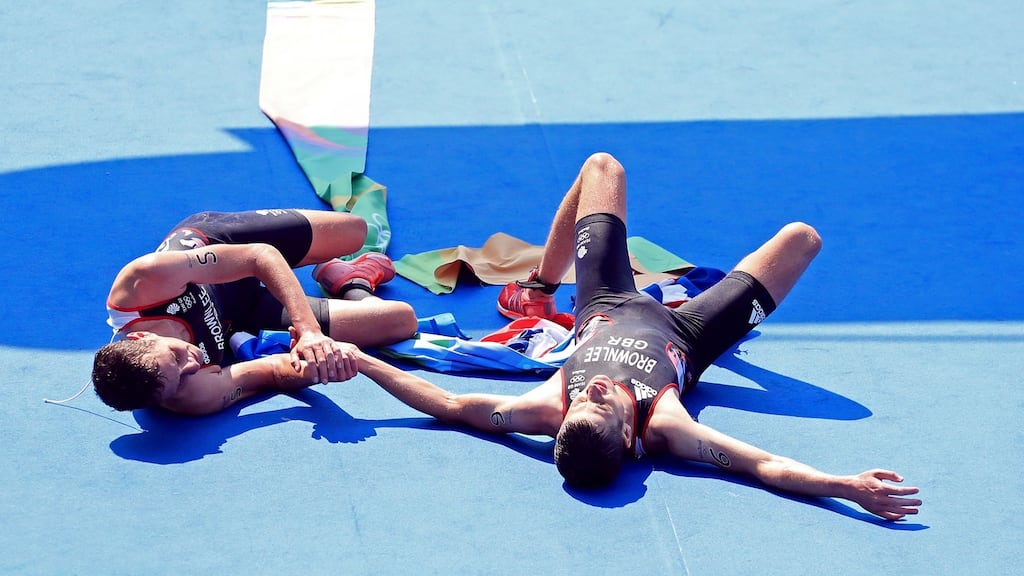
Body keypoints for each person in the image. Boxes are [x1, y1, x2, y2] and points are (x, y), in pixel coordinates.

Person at [354, 152, 922, 520]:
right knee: (803, 239)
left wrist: (358, 358)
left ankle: (540, 284)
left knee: (603, 168)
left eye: (584, 401)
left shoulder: (550, 410)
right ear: (630, 437)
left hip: (599, 301)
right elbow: (764, 466)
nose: (593, 389)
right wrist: (847, 487)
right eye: (603, 406)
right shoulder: (668, 428)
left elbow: (450, 404)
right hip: (693, 332)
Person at [92, 208, 417, 415]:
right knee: (399, 320)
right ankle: (349, 280)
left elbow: (259, 256)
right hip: (242, 313)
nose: (193, 363)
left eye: (177, 357)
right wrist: (322, 363)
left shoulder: (144, 281)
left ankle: (321, 263)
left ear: (141, 336)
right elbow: (274, 372)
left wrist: (310, 332)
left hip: (229, 248)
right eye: (182, 377)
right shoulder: (189, 394)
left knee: (355, 232)